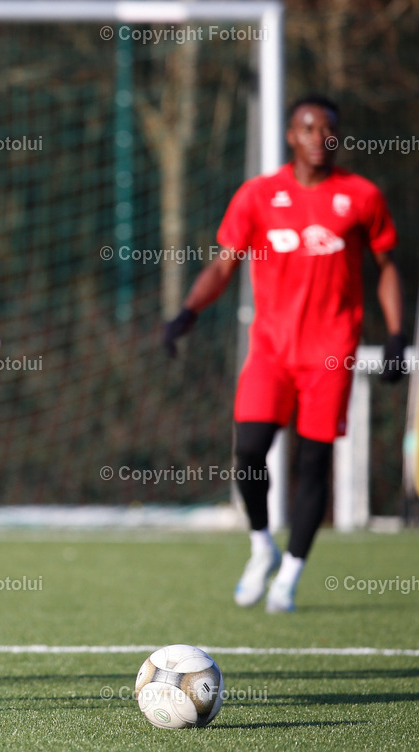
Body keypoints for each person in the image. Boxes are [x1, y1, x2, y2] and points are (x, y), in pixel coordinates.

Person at [164, 95, 405, 613]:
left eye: (329, 129)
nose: (320, 137)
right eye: (309, 127)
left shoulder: (360, 196)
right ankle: (261, 547)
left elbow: (387, 266)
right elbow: (224, 265)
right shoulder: (257, 195)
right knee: (249, 451)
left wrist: (396, 333)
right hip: (271, 350)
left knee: (314, 462)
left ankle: (290, 575)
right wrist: (188, 312)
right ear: (291, 135)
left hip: (330, 353)